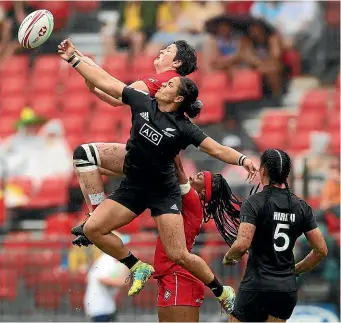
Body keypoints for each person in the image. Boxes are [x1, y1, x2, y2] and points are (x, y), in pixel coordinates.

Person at [58, 39, 258, 314]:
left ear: (178, 98)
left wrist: (243, 159)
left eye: (170, 85)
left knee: (179, 254)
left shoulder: (184, 128)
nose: (162, 85)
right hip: (134, 186)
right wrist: (75, 59)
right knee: (93, 229)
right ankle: (136, 266)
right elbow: (108, 82)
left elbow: (217, 148)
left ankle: (222, 291)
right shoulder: (142, 102)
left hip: (163, 192)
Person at [65, 39, 197, 221]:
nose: (161, 51)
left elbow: (114, 88)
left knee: (84, 155)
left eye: (167, 50)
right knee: (88, 164)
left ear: (177, 63)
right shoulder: (167, 84)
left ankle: (96, 216)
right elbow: (117, 98)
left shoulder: (162, 80)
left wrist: (75, 59)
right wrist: (93, 83)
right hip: (159, 163)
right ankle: (96, 218)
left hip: (152, 163)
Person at [223, 149, 328, 322]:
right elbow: (321, 250)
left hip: (256, 286)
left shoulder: (254, 202)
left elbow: (242, 244)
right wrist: (296, 269)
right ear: (287, 173)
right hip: (286, 290)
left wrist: (228, 257)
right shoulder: (301, 206)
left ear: (263, 170)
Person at [156, 155, 241, 322]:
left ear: (204, 192)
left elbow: (178, 168)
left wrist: (171, 140)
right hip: (168, 276)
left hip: (178, 278)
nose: (195, 175)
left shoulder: (193, 200)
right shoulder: (188, 202)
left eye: (201, 177)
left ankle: (222, 291)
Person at [84, 232, 131, 322]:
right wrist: (121, 282)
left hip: (106, 306)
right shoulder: (107, 260)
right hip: (100, 308)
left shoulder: (112, 260)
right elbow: (103, 279)